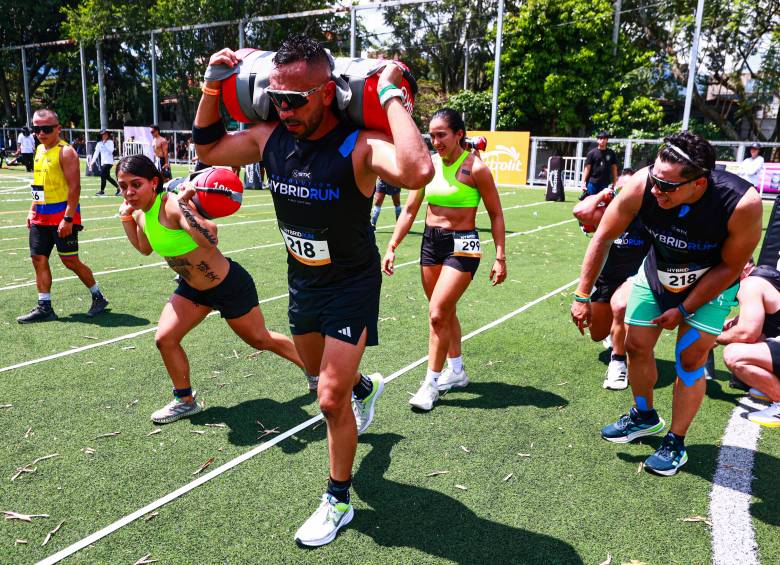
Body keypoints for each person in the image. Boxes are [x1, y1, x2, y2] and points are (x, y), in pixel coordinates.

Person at [193, 36, 433, 546]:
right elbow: (209, 149)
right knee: (316, 377)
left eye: (296, 99)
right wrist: (213, 86)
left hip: (351, 281)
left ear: (328, 92)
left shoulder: (359, 147)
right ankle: (364, 387)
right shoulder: (268, 138)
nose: (284, 108)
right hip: (302, 279)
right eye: (276, 97)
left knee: (327, 400)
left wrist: (391, 95)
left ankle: (337, 500)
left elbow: (418, 171)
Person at [571, 131, 762, 476]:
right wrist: (582, 294)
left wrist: (685, 309)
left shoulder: (741, 203)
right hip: (658, 271)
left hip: (711, 281)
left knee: (689, 358)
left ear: (699, 182)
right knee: (635, 344)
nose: (656, 190)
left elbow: (731, 266)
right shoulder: (643, 184)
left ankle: (676, 440)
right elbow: (603, 235)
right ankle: (643, 416)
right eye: (656, 180)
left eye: (668, 186)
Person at [116, 155, 306, 423]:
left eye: (136, 184)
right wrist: (126, 218)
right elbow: (144, 248)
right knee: (165, 339)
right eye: (123, 186)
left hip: (228, 285)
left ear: (154, 182)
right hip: (193, 289)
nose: (129, 192)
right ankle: (185, 401)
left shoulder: (170, 205)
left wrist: (184, 205)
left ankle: (314, 371)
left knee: (260, 340)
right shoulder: (140, 213)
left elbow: (210, 238)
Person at [382, 108, 507, 410]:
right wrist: (392, 245)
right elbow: (410, 210)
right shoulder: (429, 167)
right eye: (432, 136)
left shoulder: (476, 169)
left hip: (463, 245)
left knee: (437, 313)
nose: (435, 141)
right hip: (430, 243)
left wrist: (500, 255)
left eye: (442, 135)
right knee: (444, 312)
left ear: (459, 135)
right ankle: (458, 371)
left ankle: (431, 384)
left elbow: (496, 213)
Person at [17, 109, 109, 323]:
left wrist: (68, 219)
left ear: (58, 128)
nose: (41, 133)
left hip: (62, 217)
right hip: (41, 216)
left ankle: (98, 296)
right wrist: (32, 209)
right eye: (36, 129)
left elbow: (74, 188)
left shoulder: (66, 152)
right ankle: (44, 307)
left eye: (46, 129)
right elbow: (38, 185)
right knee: (38, 258)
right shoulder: (39, 150)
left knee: (70, 260)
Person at [572, 167, 650, 390]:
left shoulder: (646, 215)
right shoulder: (608, 213)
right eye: (619, 190)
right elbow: (581, 212)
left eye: (628, 190)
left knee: (621, 305)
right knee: (597, 334)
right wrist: (603, 194)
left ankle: (618, 363)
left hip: (636, 278)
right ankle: (619, 337)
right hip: (607, 281)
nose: (623, 194)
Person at [719, 262, 780, 427]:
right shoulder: (765, 274)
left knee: (734, 355)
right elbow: (752, 321)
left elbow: (747, 333)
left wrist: (712, 338)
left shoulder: (749, 284)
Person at [580, 131, 618, 199]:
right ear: (598, 140)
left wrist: (615, 182)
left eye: (604, 138)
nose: (602, 140)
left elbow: (614, 168)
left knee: (604, 203)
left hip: (605, 183)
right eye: (600, 138)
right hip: (592, 183)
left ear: (607, 140)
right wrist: (583, 182)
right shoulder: (591, 153)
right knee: (590, 201)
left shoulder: (611, 153)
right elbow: (587, 168)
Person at [91, 129, 120, 196]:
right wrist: (92, 162)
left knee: (102, 174)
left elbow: (111, 151)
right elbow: (96, 153)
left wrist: (105, 144)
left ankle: (102, 191)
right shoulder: (99, 143)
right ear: (101, 135)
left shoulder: (110, 142)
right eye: (103, 134)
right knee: (107, 176)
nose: (105, 135)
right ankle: (119, 188)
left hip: (109, 162)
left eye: (106, 134)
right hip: (103, 162)